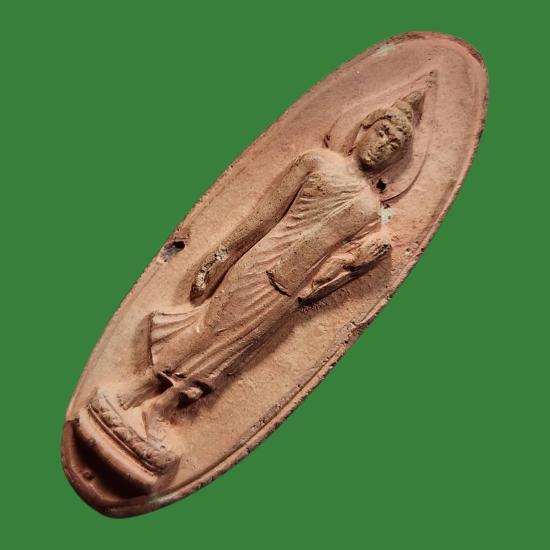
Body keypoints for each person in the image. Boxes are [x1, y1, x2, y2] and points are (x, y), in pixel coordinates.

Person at [121, 90, 425, 438]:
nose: (383, 145)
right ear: (364, 128)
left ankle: (164, 406)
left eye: (394, 145)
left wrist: (365, 259)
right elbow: (263, 216)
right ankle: (140, 385)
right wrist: (219, 255)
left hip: (291, 288)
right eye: (382, 133)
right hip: (262, 262)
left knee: (232, 352)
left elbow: (338, 268)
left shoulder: (370, 210)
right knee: (210, 327)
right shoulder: (317, 163)